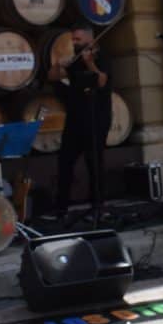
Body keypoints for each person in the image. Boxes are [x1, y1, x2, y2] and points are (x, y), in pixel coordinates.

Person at [49, 25, 111, 218]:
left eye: (77, 40)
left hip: (96, 117)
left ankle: (98, 206)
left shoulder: (103, 57)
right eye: (73, 39)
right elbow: (52, 77)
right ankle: (61, 208)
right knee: (65, 161)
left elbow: (102, 81)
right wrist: (59, 65)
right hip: (75, 117)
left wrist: (90, 63)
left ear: (90, 40)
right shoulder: (75, 61)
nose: (74, 43)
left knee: (94, 163)